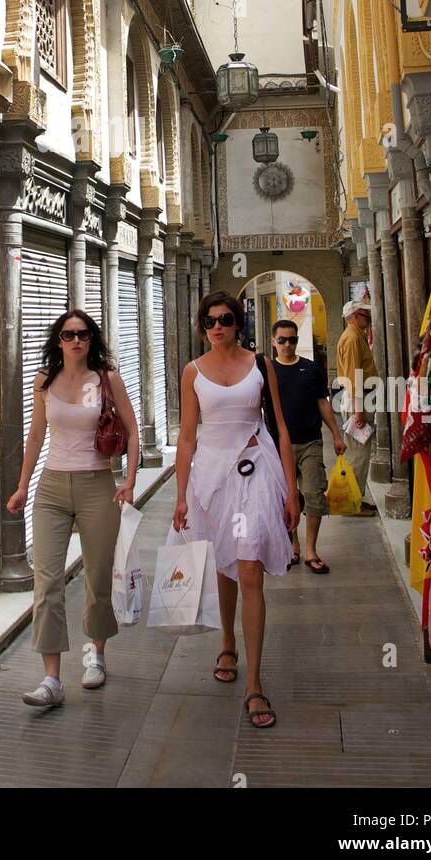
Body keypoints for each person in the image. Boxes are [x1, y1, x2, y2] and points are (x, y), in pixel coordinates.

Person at [169, 292, 300, 729]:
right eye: (209, 321)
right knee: (225, 565)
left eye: (224, 319)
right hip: (212, 477)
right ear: (202, 326)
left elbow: (280, 427)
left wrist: (292, 490)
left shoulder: (260, 365)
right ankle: (228, 642)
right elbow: (187, 436)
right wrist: (181, 495)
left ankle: (255, 683)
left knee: (249, 568)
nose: (217, 327)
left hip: (255, 469)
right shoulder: (193, 371)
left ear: (238, 323)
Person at [6, 309, 139, 711]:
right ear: (58, 340)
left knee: (98, 577)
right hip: (51, 488)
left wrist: (129, 480)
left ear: (91, 339)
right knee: (47, 582)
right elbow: (35, 434)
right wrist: (23, 486)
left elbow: (132, 431)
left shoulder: (106, 379)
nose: (76, 340)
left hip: (97, 485)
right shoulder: (45, 380)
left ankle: (96, 655)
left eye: (82, 334)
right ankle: (51, 679)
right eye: (68, 335)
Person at [270, 319, 346, 573]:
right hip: (278, 446)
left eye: (292, 340)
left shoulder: (311, 369)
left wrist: (336, 435)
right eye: (282, 340)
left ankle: (311, 550)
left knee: (314, 494)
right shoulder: (267, 371)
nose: (287, 345)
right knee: (285, 498)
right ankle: (292, 545)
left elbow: (322, 403)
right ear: (273, 341)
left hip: (310, 441)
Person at [335, 300, 378, 515]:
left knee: (358, 453)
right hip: (358, 401)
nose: (367, 318)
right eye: (364, 314)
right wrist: (359, 411)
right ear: (355, 316)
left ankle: (355, 499)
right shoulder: (352, 338)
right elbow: (354, 377)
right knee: (357, 455)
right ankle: (352, 504)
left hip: (359, 399)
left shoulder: (354, 336)